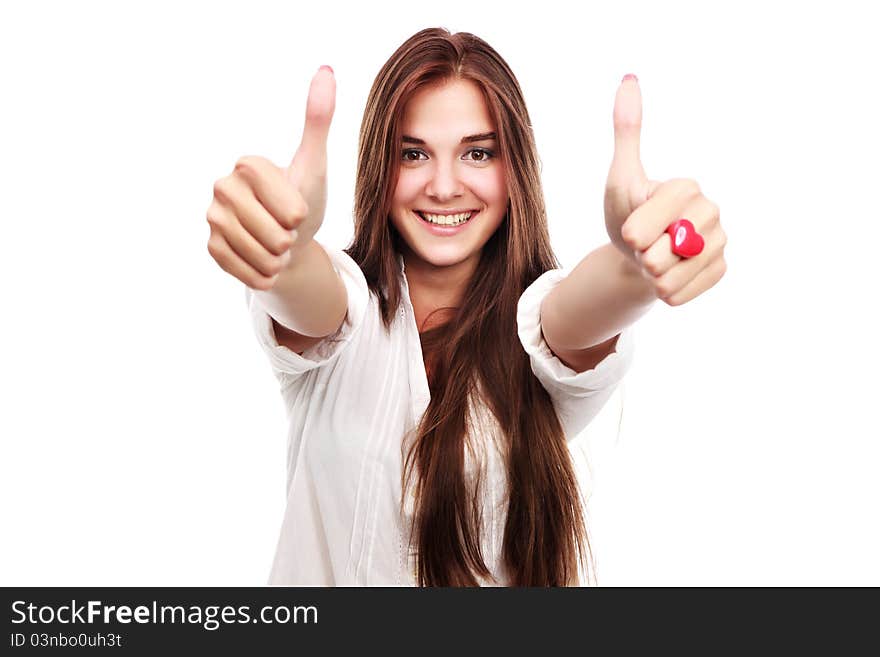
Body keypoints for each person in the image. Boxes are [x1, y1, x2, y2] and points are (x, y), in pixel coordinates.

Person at [206, 28, 727, 586]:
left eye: (477, 153)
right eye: (413, 154)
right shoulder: (345, 311)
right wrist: (280, 249)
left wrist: (636, 263)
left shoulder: (540, 325)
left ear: (514, 171)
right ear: (380, 168)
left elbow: (578, 316)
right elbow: (309, 298)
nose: (445, 186)